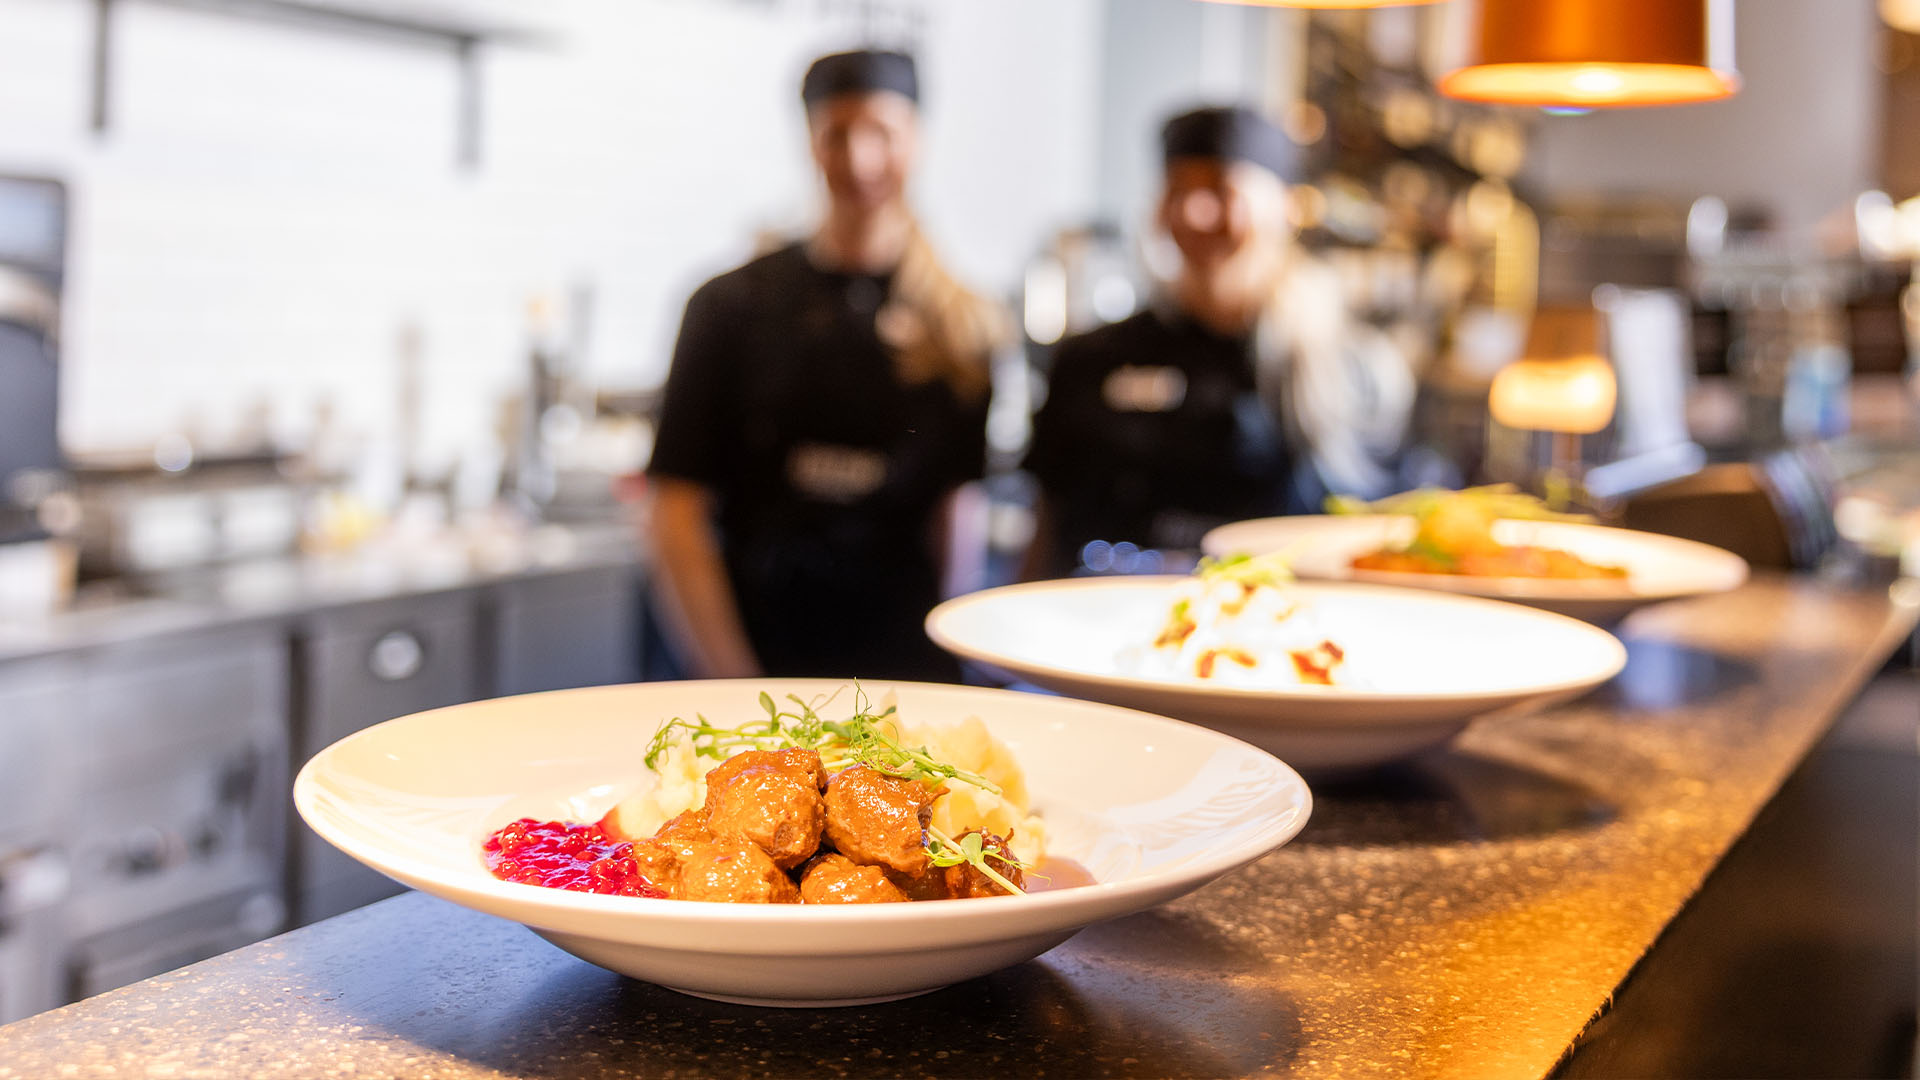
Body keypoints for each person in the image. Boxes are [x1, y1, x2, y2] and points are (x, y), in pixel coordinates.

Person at [646, 49, 1006, 681]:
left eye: (882, 133)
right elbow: (675, 511)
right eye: (837, 133)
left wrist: (954, 670)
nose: (860, 160)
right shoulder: (728, 307)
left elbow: (956, 517)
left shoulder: (965, 327)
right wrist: (733, 682)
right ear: (811, 141)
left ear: (917, 140)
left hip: (904, 671)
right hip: (760, 657)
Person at [1023, 105, 1418, 579]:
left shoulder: (1354, 371)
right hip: (1102, 615)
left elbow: (1379, 538)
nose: (1194, 213)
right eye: (1177, 190)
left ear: (1285, 208)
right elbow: (1045, 524)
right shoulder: (1091, 359)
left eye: (1220, 189)